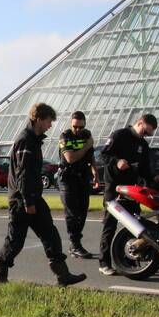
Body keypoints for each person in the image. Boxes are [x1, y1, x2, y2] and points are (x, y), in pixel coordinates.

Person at [0, 103, 87, 287]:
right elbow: (23, 174)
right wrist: (28, 202)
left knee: (50, 235)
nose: (50, 125)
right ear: (39, 119)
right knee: (15, 240)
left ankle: (63, 275)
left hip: (33, 197)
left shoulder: (33, 139)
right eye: (49, 121)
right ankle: (0, 273)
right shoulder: (26, 140)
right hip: (22, 200)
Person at [97, 113, 158, 276]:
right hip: (114, 188)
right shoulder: (119, 135)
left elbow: (145, 170)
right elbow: (104, 154)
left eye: (148, 135)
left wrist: (153, 184)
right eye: (145, 132)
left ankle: (128, 259)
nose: (145, 136)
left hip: (132, 190)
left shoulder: (143, 146)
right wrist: (117, 161)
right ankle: (104, 262)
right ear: (139, 123)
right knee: (109, 226)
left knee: (135, 226)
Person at [57, 110, 97, 259]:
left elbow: (90, 156)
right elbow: (70, 158)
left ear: (85, 124)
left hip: (83, 177)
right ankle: (75, 244)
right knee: (72, 213)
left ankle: (75, 243)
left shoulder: (87, 135)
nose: (77, 130)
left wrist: (95, 172)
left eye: (80, 127)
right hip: (67, 178)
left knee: (82, 211)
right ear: (71, 124)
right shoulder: (65, 136)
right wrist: (87, 146)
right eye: (75, 127)